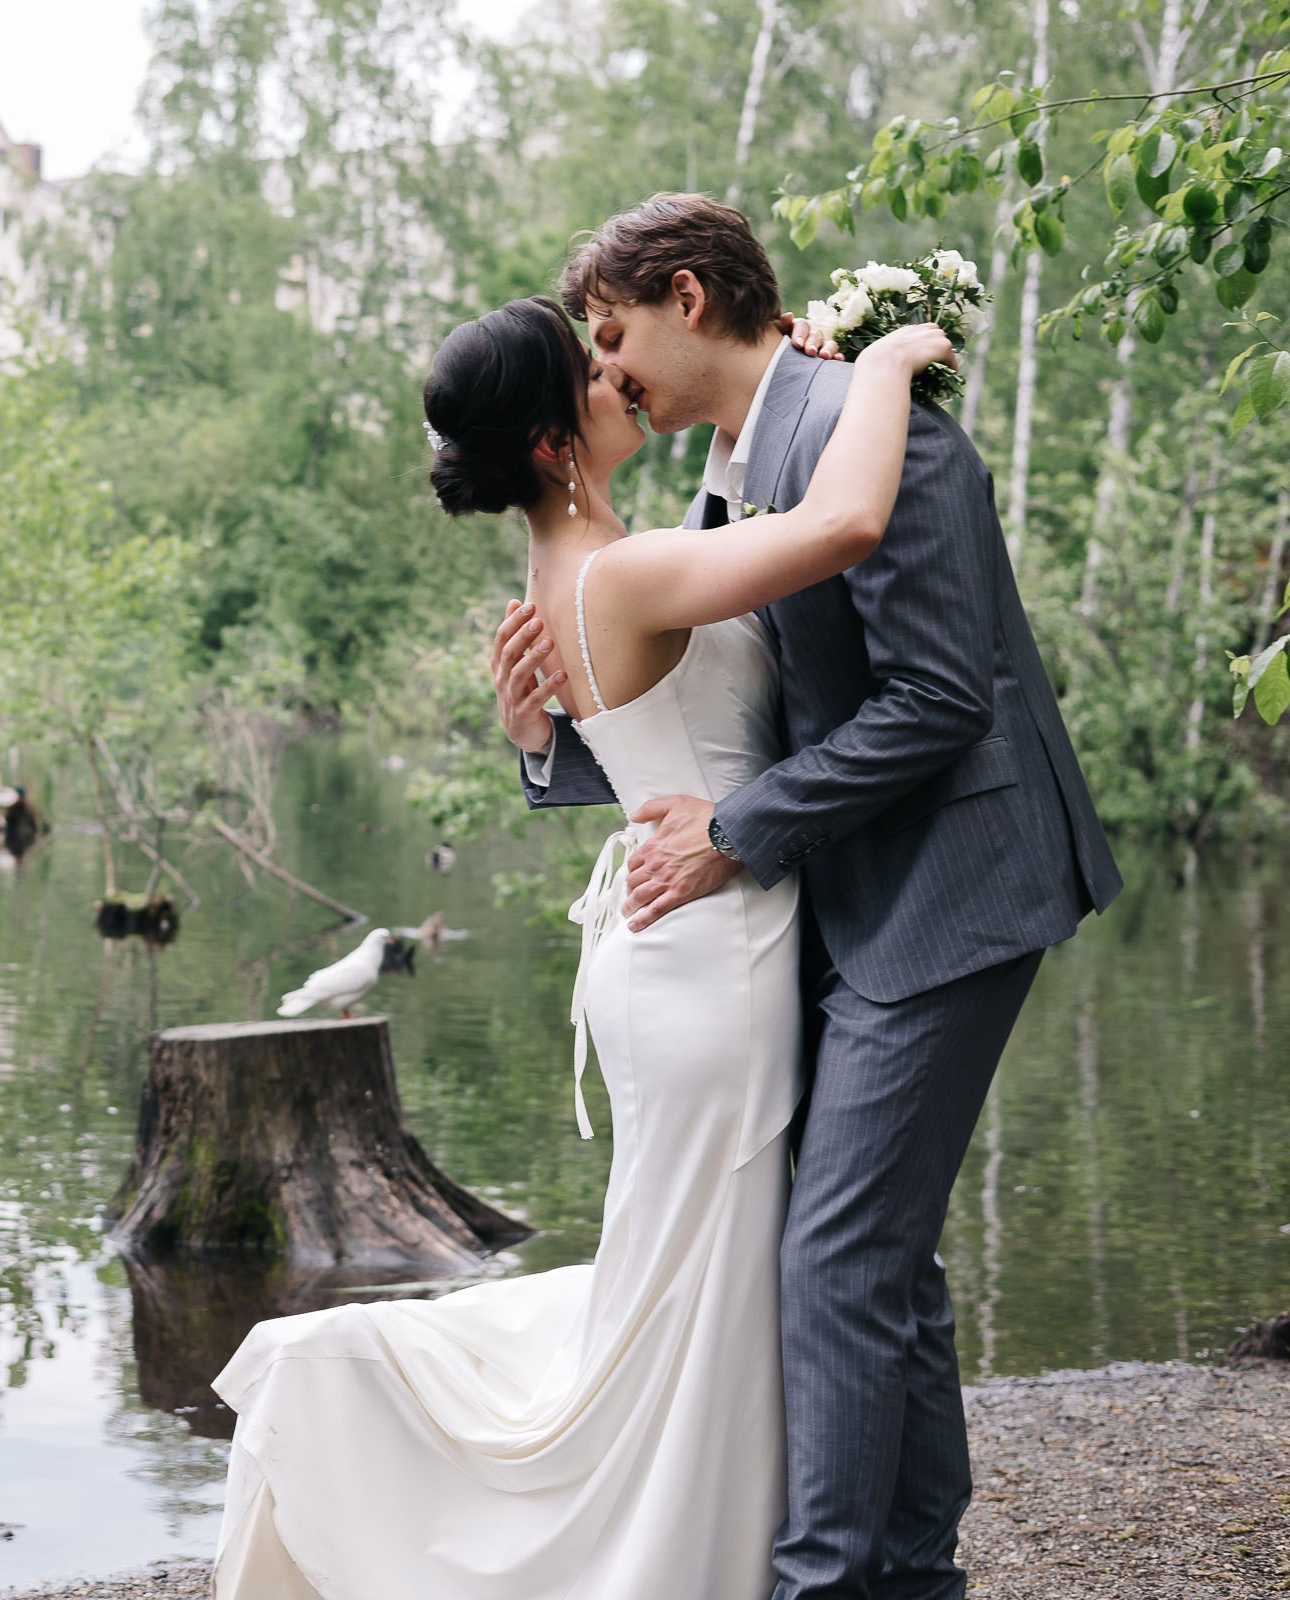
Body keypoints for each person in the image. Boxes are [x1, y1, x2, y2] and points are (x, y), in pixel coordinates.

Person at [211, 291, 967, 1599]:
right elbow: (843, 524)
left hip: (675, 942)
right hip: (710, 958)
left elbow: (670, 709)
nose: (621, 374)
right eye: (593, 367)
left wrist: (539, 750)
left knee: (694, 1278)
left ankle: (753, 1546)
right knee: (711, 1282)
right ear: (557, 440)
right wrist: (894, 354)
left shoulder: (594, 562)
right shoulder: (619, 572)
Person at [492, 195, 1121, 1599]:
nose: (606, 373)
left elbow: (942, 699)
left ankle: (824, 1586)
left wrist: (742, 832)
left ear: (690, 298)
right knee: (884, 1263)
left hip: (954, 881)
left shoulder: (875, 428)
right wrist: (551, 754)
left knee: (836, 1258)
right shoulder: (725, 465)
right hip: (832, 901)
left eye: (613, 336)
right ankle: (909, 1579)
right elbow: (731, 724)